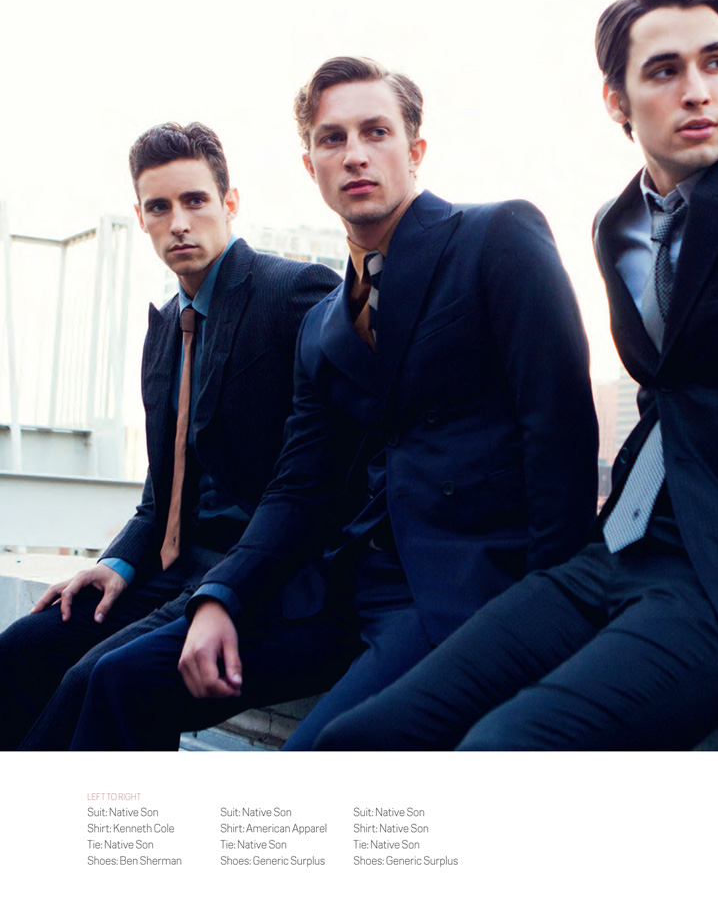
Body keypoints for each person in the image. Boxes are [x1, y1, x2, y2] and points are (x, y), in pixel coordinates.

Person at [313, 0, 718, 751]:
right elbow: (668, 395)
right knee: (362, 739)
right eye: (665, 70)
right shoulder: (617, 226)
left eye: (715, 62)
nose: (698, 91)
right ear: (617, 100)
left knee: (502, 751)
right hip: (623, 555)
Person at [71, 56, 598, 750]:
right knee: (118, 679)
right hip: (339, 590)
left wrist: (546, 613)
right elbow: (299, 486)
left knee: (318, 762)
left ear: (415, 150)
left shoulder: (495, 237)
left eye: (375, 132)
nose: (354, 154)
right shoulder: (323, 323)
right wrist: (221, 596)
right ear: (310, 165)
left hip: (458, 592)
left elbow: (559, 430)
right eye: (332, 139)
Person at [0, 122, 339, 750]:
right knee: (23, 645)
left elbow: (326, 465)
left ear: (230, 202)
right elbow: (163, 489)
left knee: (95, 678)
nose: (179, 222)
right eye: (159, 207)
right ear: (141, 218)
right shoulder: (165, 328)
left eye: (195, 200)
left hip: (267, 571)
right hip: (174, 566)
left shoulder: (294, 292)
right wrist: (116, 562)